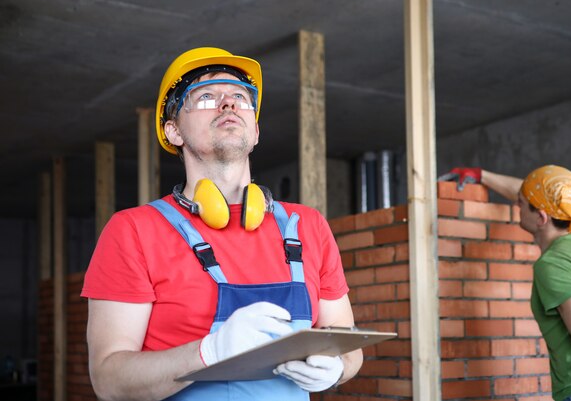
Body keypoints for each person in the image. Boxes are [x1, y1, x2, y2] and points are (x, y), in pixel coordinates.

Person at [81, 47, 363, 401]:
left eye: (241, 98)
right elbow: (109, 380)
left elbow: (349, 344)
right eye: (206, 97)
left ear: (256, 131)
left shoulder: (307, 225)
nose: (228, 104)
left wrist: (337, 368)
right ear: (173, 131)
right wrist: (208, 353)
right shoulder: (134, 230)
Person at [439, 166, 571, 401]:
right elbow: (539, 192)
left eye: (521, 204)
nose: (518, 205)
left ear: (541, 217)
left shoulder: (554, 264)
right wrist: (482, 175)